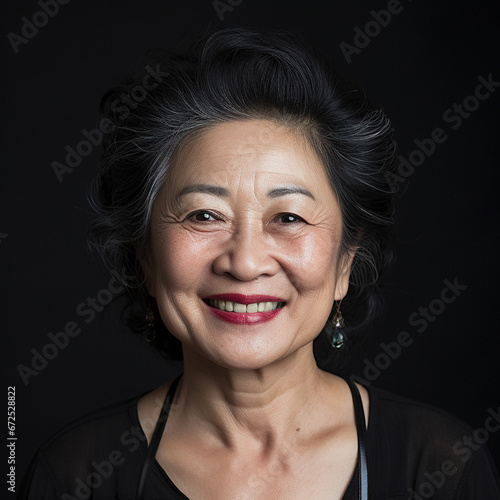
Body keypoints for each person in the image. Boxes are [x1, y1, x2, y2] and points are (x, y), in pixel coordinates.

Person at [19, 27, 500, 500]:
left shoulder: (440, 468)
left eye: (288, 217)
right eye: (204, 215)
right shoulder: (77, 476)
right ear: (145, 255)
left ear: (345, 262)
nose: (245, 262)